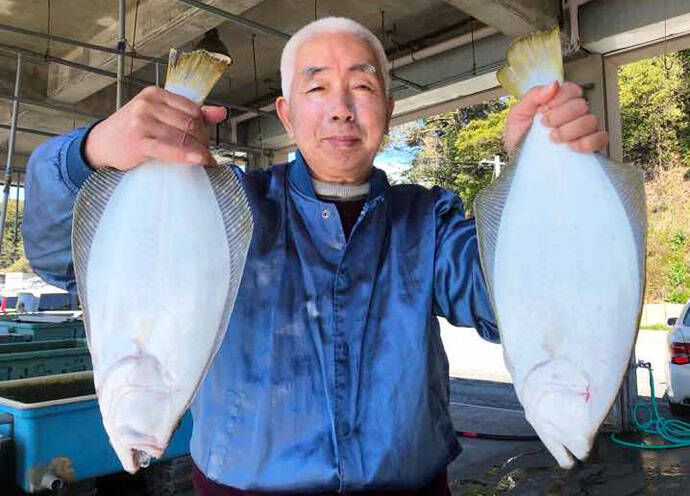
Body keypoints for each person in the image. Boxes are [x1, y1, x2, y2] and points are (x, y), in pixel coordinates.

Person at [23, 17, 607, 496]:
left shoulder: (429, 219)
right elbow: (59, 261)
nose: (341, 107)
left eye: (361, 84)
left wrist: (543, 164)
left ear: (388, 105)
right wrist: (92, 151)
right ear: (285, 113)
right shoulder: (229, 208)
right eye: (317, 86)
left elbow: (515, 303)